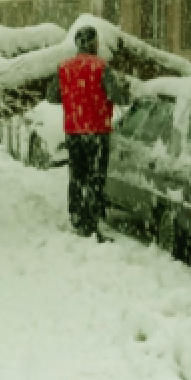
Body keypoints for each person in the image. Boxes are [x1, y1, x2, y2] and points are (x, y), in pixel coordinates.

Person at [46, 26, 131, 241]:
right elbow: (118, 97)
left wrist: (73, 97)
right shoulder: (102, 68)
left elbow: (52, 96)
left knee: (77, 176)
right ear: (93, 43)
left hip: (74, 130)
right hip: (97, 131)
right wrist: (123, 89)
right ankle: (92, 223)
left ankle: (76, 217)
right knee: (95, 177)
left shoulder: (64, 67)